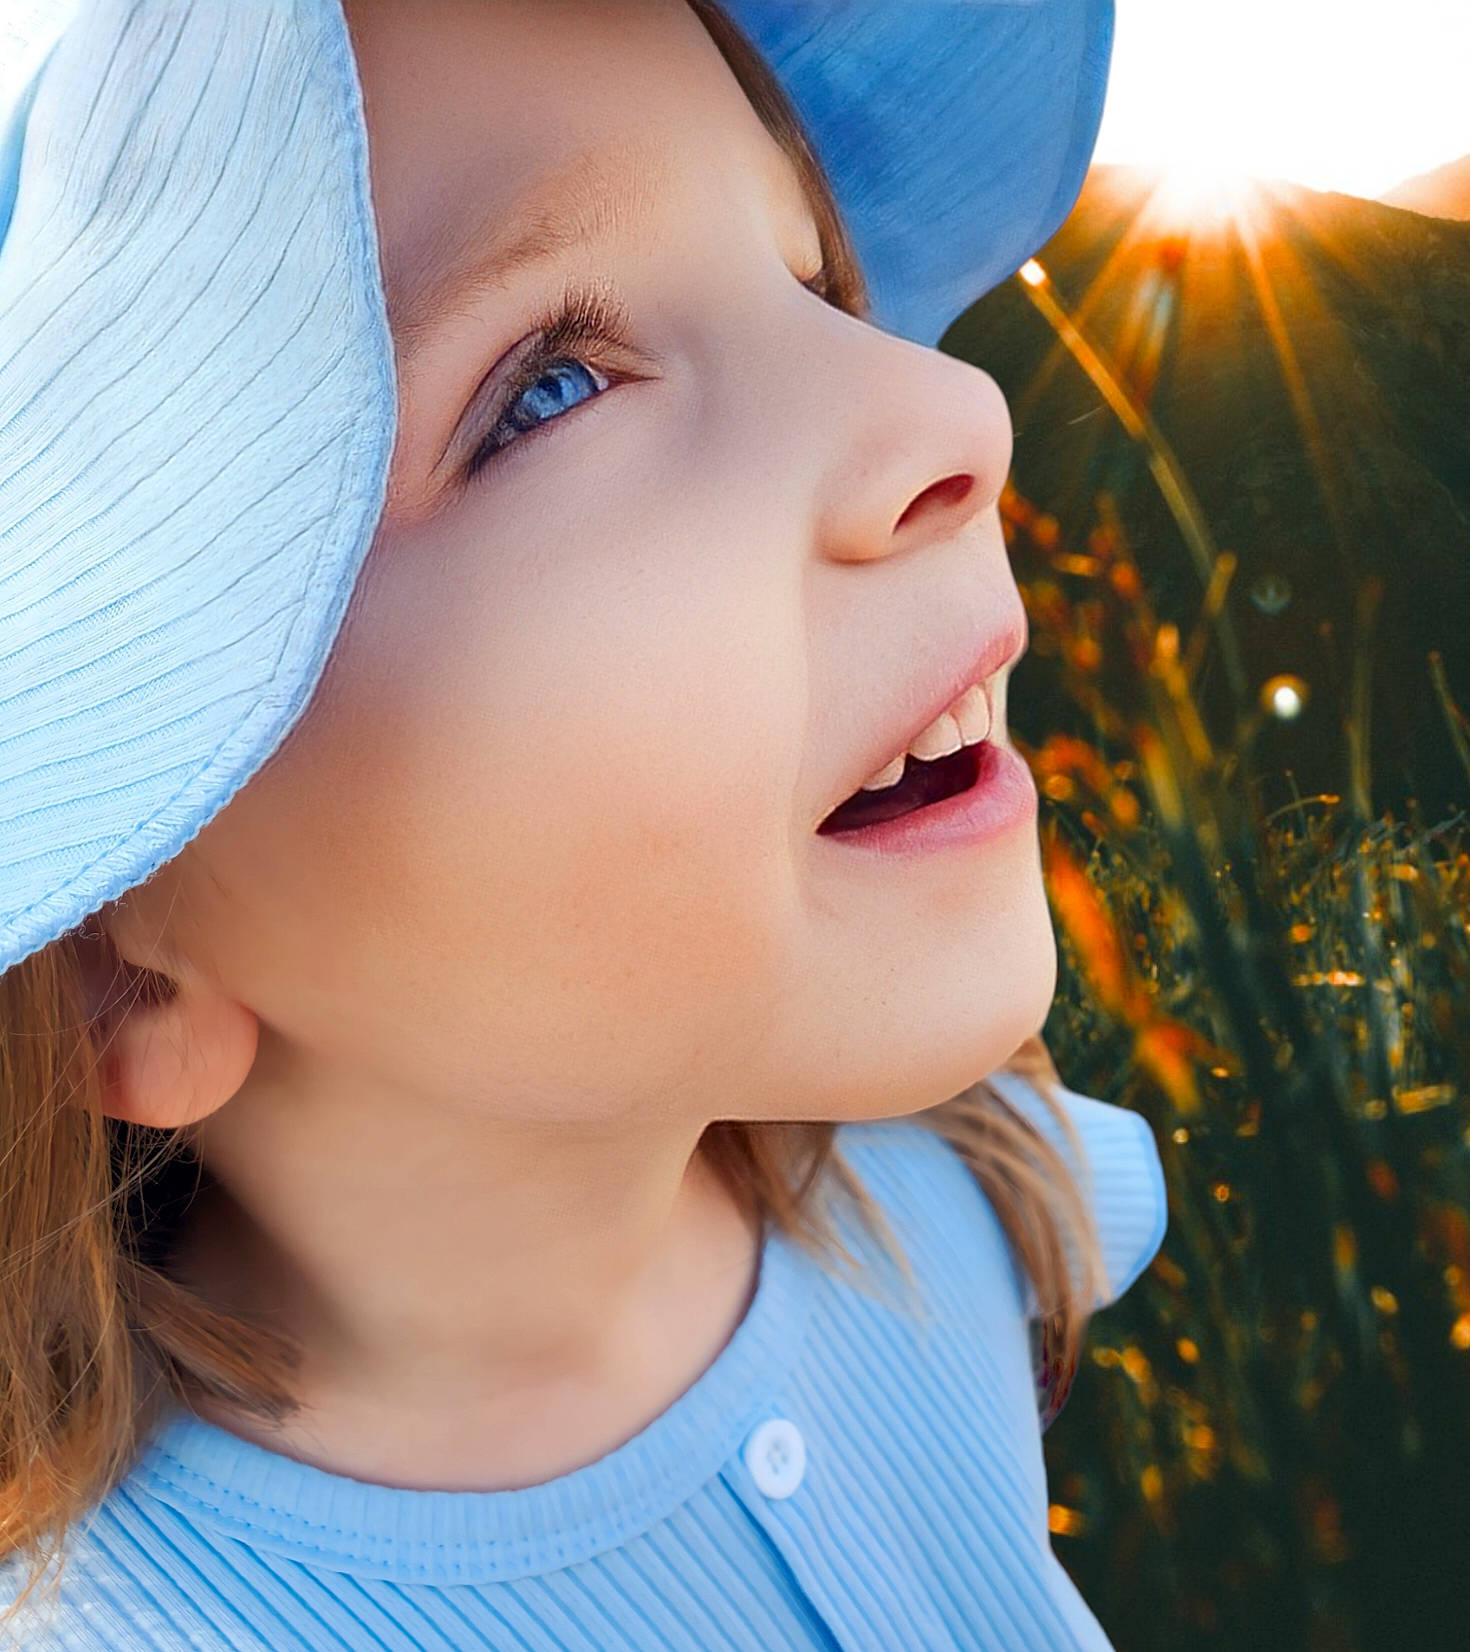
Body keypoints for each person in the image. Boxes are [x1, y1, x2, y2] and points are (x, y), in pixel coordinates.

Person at [0, 1, 1166, 1647]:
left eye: (814, 283)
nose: (950, 413)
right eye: (548, 388)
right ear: (123, 968)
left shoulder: (966, 1191)